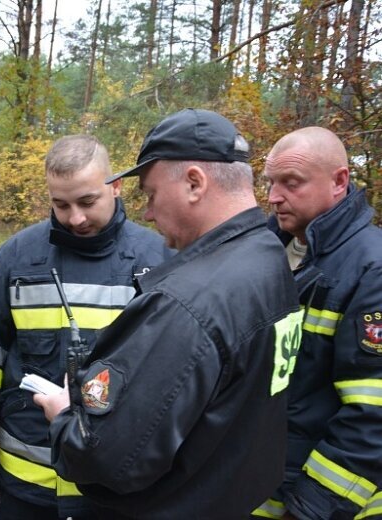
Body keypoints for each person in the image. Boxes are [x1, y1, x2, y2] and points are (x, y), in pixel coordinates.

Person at [33, 109, 303, 519]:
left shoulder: (191, 302)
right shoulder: (268, 257)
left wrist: (65, 418)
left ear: (195, 182)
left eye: (152, 194)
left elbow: (105, 459)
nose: (147, 213)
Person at [0, 134, 170, 519]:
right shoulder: (18, 257)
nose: (75, 218)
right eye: (61, 204)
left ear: (116, 186)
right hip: (29, 478)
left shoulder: (159, 258)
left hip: (115, 481)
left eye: (87, 202)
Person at [251, 127, 382, 519]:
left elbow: (373, 417)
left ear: (340, 181)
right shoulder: (267, 250)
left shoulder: (371, 268)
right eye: (271, 182)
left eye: (292, 183)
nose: (274, 197)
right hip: (257, 487)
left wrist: (311, 511)